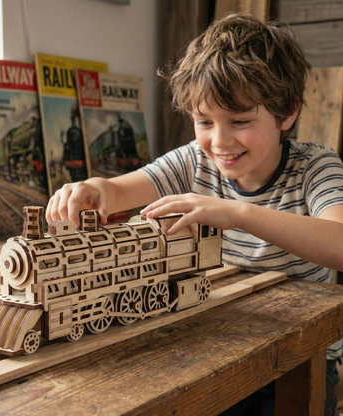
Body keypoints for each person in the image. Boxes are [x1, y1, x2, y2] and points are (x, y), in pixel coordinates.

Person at [46, 12, 343, 416]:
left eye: (240, 121)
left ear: (287, 112)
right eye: (204, 121)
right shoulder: (192, 163)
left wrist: (238, 213)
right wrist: (94, 188)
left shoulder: (317, 168)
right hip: (224, 341)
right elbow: (117, 191)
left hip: (303, 354)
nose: (220, 141)